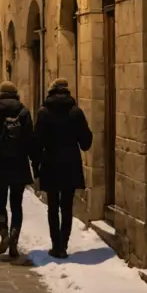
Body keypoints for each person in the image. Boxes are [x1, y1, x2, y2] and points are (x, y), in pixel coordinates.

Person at [34, 78, 93, 258]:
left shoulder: (44, 113)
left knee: (52, 206)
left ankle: (56, 244)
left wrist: (35, 165)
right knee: (67, 206)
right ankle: (63, 246)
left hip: (50, 162)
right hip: (70, 163)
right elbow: (86, 143)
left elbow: (37, 142)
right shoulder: (76, 112)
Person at [0, 81, 39, 258]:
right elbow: (31, 139)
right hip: (19, 163)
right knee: (16, 204)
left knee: (0, 202)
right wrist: (35, 162)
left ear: (0, 93)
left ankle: (4, 233)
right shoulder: (23, 112)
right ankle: (14, 236)